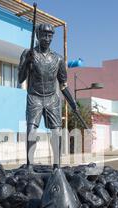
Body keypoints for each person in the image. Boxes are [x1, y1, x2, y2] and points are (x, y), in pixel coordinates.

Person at [18, 23, 84, 171]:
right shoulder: (28, 54)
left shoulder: (58, 59)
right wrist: (26, 62)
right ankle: (30, 164)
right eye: (44, 35)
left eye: (50, 35)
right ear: (37, 35)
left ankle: (57, 165)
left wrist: (73, 104)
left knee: (56, 131)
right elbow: (20, 79)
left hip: (52, 98)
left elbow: (63, 85)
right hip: (34, 96)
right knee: (31, 130)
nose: (47, 38)